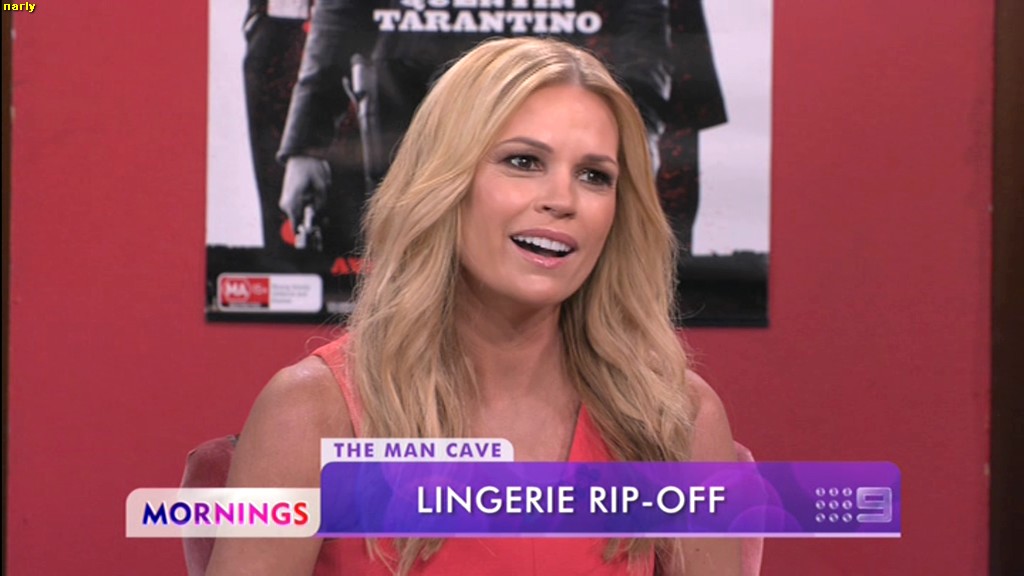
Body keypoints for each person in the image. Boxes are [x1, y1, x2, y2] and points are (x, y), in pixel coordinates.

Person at [207, 37, 739, 575]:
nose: (563, 200)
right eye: (523, 161)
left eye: (594, 176)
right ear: (445, 182)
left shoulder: (676, 419)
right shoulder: (312, 415)